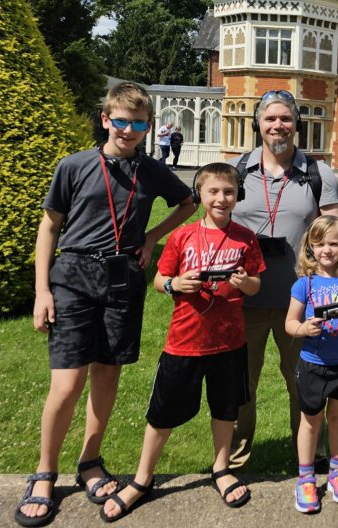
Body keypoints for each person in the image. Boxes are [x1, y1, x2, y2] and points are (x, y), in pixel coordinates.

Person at [15, 82, 195, 528]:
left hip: (123, 280)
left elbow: (187, 202)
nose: (128, 130)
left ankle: (91, 460)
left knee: (107, 373)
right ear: (105, 120)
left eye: (138, 123)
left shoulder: (150, 170)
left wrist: (153, 237)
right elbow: (49, 228)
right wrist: (42, 291)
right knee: (67, 382)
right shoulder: (74, 166)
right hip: (73, 278)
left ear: (147, 126)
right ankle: (44, 472)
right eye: (120, 121)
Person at [100, 163, 264, 521]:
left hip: (230, 342)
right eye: (214, 192)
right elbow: (160, 279)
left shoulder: (245, 237)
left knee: (225, 410)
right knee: (162, 413)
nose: (222, 199)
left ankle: (221, 468)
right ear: (201, 195)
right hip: (185, 341)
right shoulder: (182, 237)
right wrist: (177, 284)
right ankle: (142, 479)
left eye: (229, 192)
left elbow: (255, 284)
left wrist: (242, 283)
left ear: (238, 196)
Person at [227, 90, 338, 471]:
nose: (278, 125)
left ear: (297, 124)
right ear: (257, 124)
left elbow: (334, 234)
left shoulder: (318, 173)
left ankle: (312, 457)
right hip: (245, 301)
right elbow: (212, 227)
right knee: (242, 384)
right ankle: (236, 458)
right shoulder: (236, 170)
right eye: (270, 118)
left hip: (302, 303)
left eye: (286, 119)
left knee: (305, 382)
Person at [284, 216, 338, 514]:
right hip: (313, 365)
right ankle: (306, 477)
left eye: (333, 243)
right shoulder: (304, 284)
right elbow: (289, 324)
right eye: (319, 244)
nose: (326, 250)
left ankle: (337, 471)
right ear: (310, 247)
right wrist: (304, 329)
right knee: (311, 421)